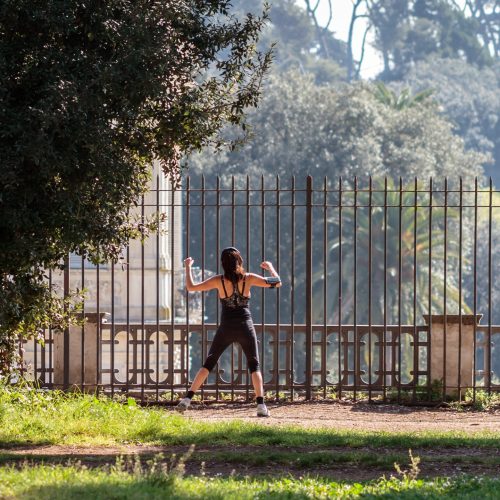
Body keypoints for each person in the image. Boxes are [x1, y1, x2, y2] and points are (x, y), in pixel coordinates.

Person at [177, 247, 281, 417]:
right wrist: (269, 267)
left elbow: (191, 287)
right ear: (239, 261)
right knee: (254, 365)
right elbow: (277, 282)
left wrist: (188, 267)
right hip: (245, 325)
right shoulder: (249, 278)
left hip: (226, 327)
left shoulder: (218, 280)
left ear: (223, 264)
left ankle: (187, 399)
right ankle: (261, 406)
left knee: (208, 363)